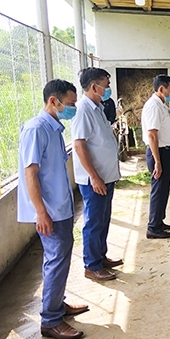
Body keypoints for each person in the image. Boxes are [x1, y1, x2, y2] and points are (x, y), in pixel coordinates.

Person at [17, 79, 88, 339]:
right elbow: (30, 173)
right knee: (56, 262)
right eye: (69, 104)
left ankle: (57, 306)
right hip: (50, 212)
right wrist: (41, 212)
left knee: (58, 260)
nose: (72, 109)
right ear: (53, 101)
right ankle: (50, 321)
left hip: (61, 208)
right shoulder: (36, 129)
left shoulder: (54, 129)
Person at [71, 67, 122, 281]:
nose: (108, 89)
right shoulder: (82, 110)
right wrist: (94, 176)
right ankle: (91, 266)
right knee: (94, 221)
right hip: (95, 180)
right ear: (94, 86)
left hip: (105, 176)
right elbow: (79, 145)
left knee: (103, 218)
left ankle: (101, 257)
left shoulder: (97, 107)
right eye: (106, 85)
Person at [141, 74, 170, 239]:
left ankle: (159, 221)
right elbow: (152, 135)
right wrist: (157, 161)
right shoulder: (153, 106)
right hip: (159, 153)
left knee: (163, 190)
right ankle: (153, 228)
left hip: (164, 152)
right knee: (158, 190)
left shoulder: (161, 104)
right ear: (161, 89)